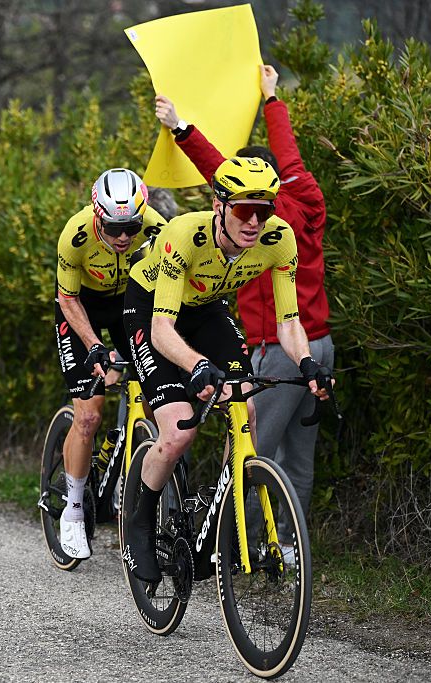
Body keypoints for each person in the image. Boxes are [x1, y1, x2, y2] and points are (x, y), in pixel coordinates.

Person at [120, 156, 332, 581]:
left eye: (263, 210)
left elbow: (289, 322)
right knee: (179, 432)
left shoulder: (279, 238)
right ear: (219, 206)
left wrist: (307, 363)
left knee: (245, 408)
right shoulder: (185, 235)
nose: (254, 222)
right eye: (244, 210)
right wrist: (198, 365)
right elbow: (162, 330)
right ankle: (137, 525)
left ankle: (219, 525)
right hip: (150, 309)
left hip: (205, 309)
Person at [154, 63, 332, 544]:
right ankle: (287, 545)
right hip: (319, 345)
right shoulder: (305, 197)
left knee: (254, 449)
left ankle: (234, 546)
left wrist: (180, 126)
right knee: (299, 458)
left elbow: (216, 171)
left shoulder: (254, 219)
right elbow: (289, 155)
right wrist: (271, 98)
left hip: (280, 346)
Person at [53, 168, 168, 560]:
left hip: (126, 305)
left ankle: (129, 474)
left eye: (131, 228)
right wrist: (94, 345)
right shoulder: (75, 235)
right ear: (97, 216)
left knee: (156, 393)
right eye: (115, 229)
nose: (123, 237)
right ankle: (72, 509)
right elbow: (68, 300)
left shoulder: (155, 227)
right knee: (88, 415)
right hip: (80, 307)